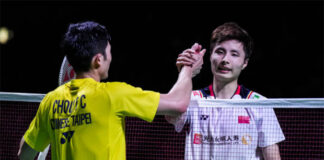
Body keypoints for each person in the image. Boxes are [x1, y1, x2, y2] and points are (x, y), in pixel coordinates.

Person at [17, 21, 205, 160]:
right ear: (98, 60)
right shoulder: (113, 94)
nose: (111, 58)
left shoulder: (51, 101)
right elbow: (178, 103)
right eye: (109, 52)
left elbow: (24, 154)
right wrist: (188, 69)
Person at [166, 22, 285, 160]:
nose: (225, 60)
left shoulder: (260, 104)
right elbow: (171, 115)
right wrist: (187, 71)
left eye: (234, 54)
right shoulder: (192, 99)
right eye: (220, 52)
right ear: (210, 56)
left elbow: (273, 157)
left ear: (245, 62)